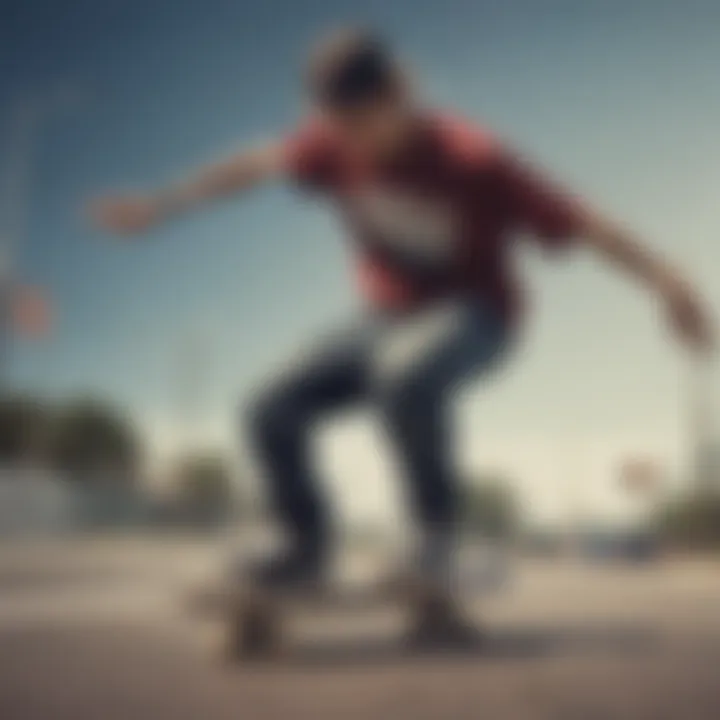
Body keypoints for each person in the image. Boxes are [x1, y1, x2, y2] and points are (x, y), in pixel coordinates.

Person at [90, 28, 714, 596]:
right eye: (339, 126)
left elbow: (583, 223)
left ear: (402, 92)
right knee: (268, 408)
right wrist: (165, 202)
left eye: (366, 121)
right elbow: (254, 164)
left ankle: (433, 542)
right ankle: (304, 548)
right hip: (382, 320)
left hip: (480, 318)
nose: (356, 141)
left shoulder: (473, 157)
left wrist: (665, 277)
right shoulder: (326, 146)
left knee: (405, 378)